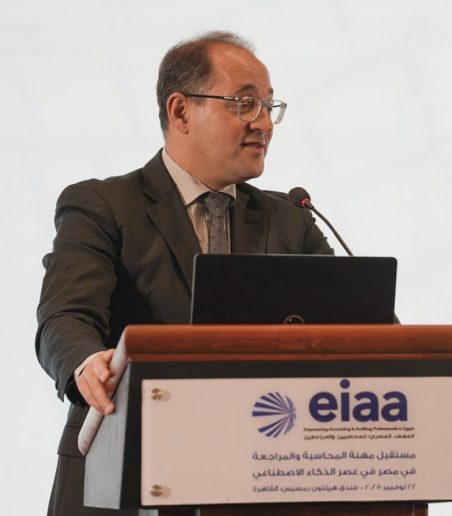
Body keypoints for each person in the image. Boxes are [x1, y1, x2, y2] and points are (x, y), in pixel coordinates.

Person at [35, 31, 333, 515]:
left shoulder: (290, 218)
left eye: (268, 106)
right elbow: (65, 316)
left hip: (261, 472)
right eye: (245, 103)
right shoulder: (103, 205)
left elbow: (357, 322)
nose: (263, 123)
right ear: (180, 112)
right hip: (124, 470)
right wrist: (87, 361)